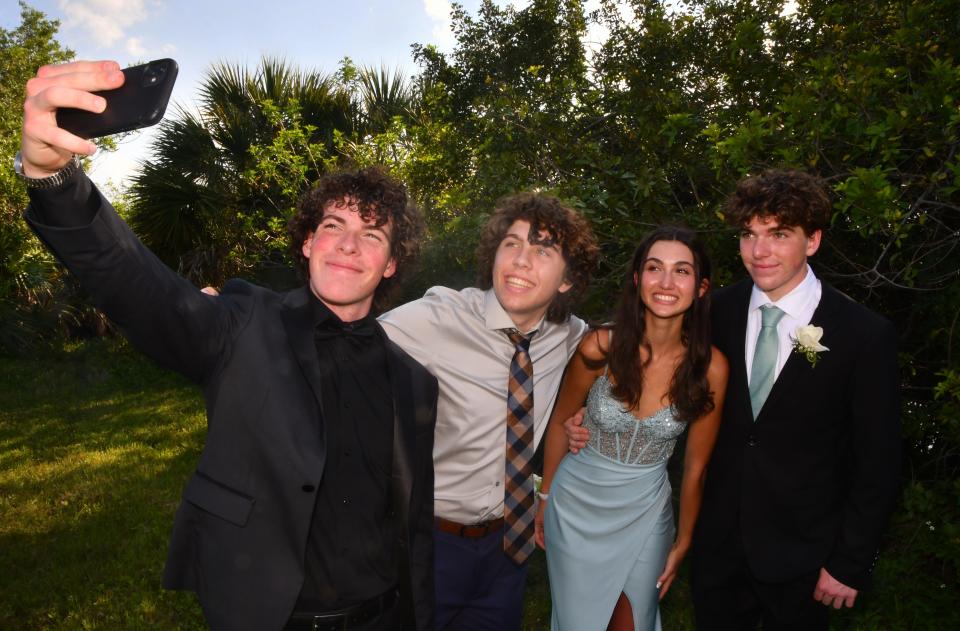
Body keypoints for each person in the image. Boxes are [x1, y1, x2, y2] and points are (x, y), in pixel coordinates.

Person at [17, 60, 438, 631]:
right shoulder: (243, 321)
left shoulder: (415, 381)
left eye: (372, 235)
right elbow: (141, 288)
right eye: (334, 226)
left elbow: (413, 525)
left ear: (390, 265)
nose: (348, 245)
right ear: (308, 242)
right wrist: (54, 180)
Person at [568, 169, 901, 630]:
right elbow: (650, 369)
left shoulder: (864, 336)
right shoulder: (710, 313)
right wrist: (592, 415)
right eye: (749, 235)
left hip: (806, 556)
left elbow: (879, 462)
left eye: (779, 234)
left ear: (813, 241)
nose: (759, 252)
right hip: (717, 547)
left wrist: (850, 560)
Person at [378, 193, 599, 630]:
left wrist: (583, 419)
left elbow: (636, 358)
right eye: (511, 244)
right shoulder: (441, 316)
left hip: (509, 547)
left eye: (542, 250)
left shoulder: (571, 335)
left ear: (567, 280)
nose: (520, 260)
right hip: (430, 541)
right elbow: (344, 337)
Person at [535, 227, 727, 631]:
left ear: (702, 286)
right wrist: (545, 497)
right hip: (576, 507)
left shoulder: (711, 368)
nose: (666, 282)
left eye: (682, 271)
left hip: (647, 511)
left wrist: (684, 541)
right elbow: (558, 422)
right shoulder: (599, 346)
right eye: (654, 268)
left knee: (633, 621)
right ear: (638, 278)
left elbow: (695, 468)